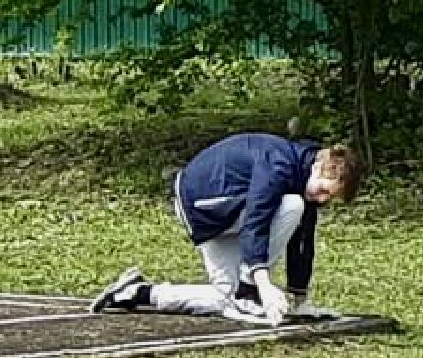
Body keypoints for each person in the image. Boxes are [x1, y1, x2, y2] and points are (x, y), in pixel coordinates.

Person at [90, 132, 363, 324]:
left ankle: (137, 293)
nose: (323, 199)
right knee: (292, 206)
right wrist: (261, 282)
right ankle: (247, 290)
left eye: (331, 198)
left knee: (225, 299)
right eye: (325, 191)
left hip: (230, 210)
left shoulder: (304, 175)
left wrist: (300, 299)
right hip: (204, 207)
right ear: (318, 167)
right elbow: (257, 217)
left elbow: (303, 240)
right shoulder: (280, 164)